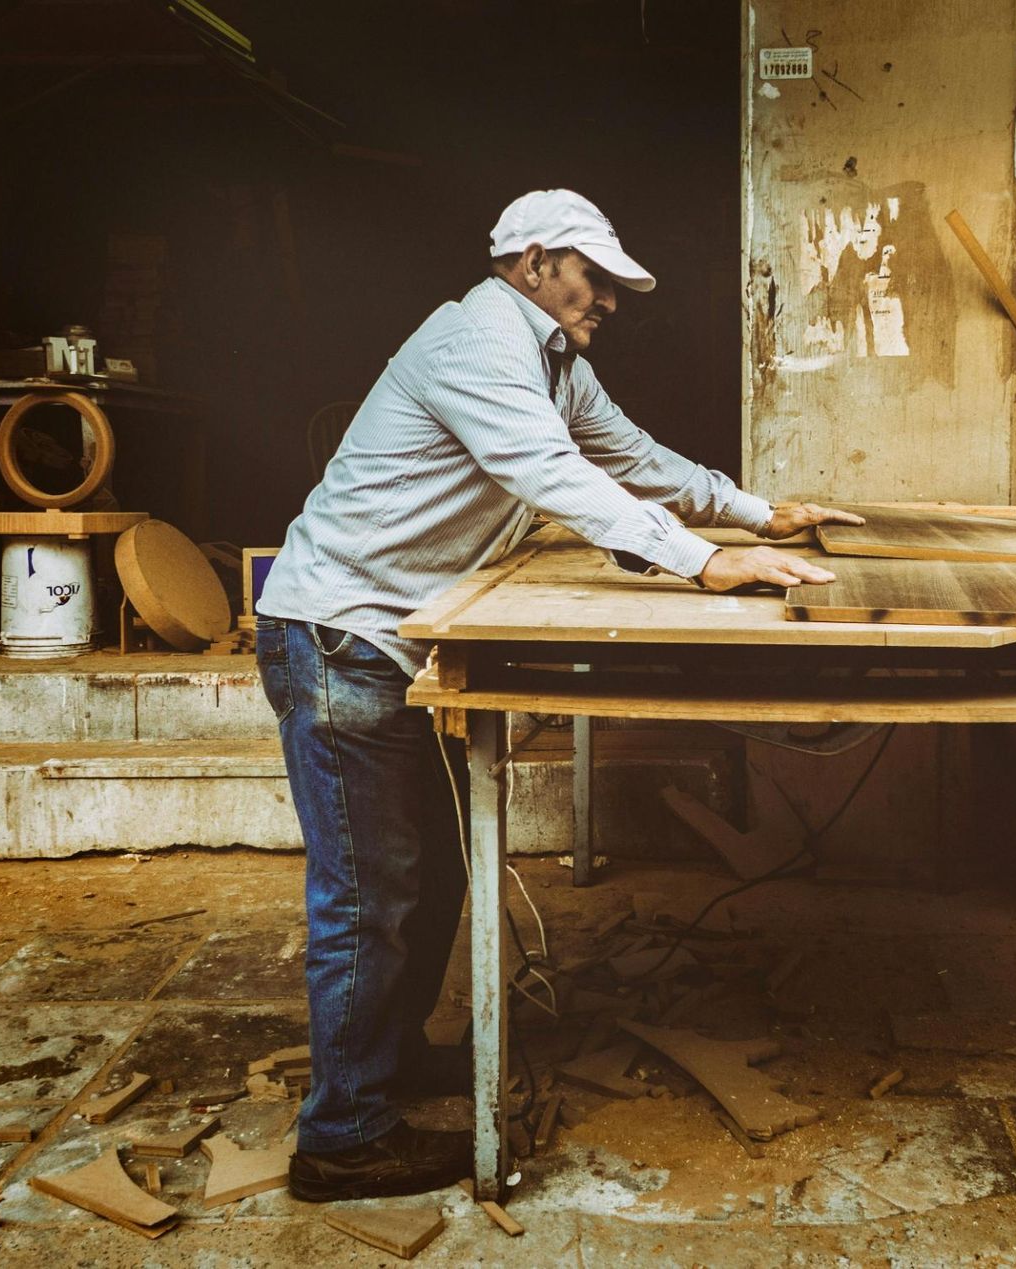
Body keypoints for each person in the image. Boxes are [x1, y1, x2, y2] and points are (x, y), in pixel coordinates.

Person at [255, 189, 863, 1201]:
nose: (611, 302)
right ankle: (342, 1139)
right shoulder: (476, 344)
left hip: (387, 640)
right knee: (369, 898)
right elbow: (549, 474)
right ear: (535, 263)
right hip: (336, 637)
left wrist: (760, 514)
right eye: (597, 279)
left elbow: (629, 456)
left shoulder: (548, 359)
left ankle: (387, 1066)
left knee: (435, 876)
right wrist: (700, 564)